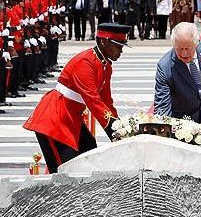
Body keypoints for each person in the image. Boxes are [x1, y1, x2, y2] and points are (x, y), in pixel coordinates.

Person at [23, 23, 131, 173]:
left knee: (89, 154)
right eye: (118, 46)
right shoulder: (85, 63)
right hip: (55, 119)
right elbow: (93, 101)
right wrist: (114, 132)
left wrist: (120, 127)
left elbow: (106, 101)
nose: (120, 51)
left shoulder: (105, 65)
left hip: (71, 117)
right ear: (104, 42)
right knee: (65, 171)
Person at [154, 22, 201, 129]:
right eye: (179, 48)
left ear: (196, 43)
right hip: (184, 126)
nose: (184, 53)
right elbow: (162, 106)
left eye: (188, 48)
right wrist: (163, 129)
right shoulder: (165, 67)